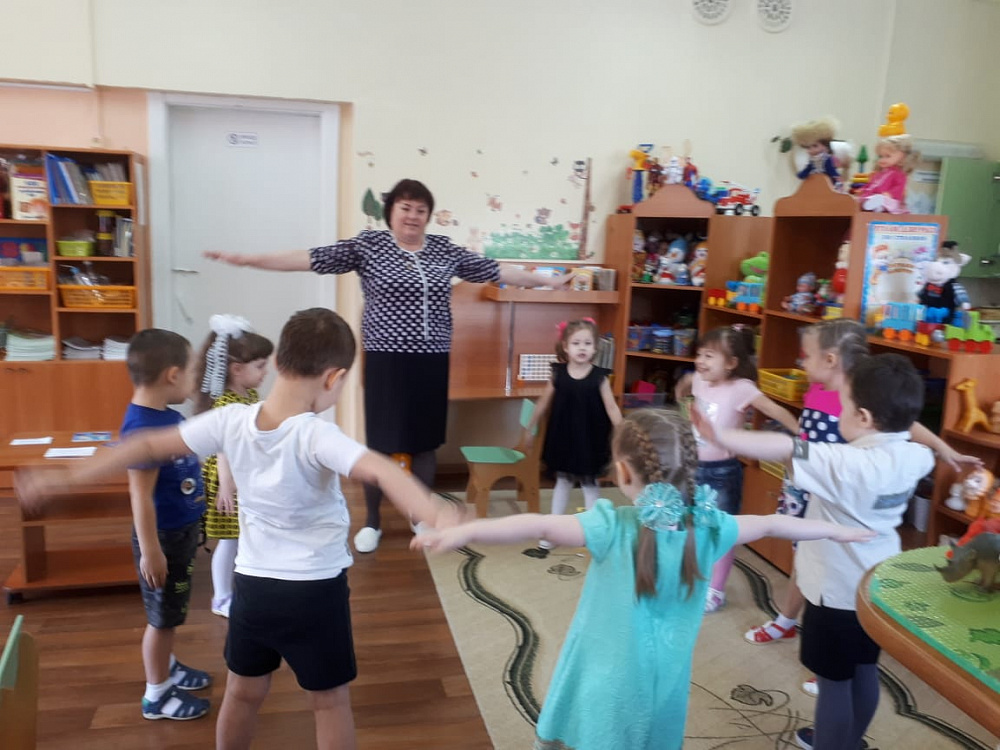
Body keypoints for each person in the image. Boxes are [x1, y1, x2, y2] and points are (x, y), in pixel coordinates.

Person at [18, 308, 459, 750]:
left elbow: (146, 445)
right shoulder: (316, 435)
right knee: (329, 703)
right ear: (334, 378)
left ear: (279, 363)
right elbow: (381, 469)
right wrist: (435, 515)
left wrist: (66, 478)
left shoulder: (230, 421)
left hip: (253, 588)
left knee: (243, 693)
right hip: (315, 591)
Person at [413, 408, 874, 750]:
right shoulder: (711, 526)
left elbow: (536, 524)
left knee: (598, 731)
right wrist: (838, 530)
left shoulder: (613, 525)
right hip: (664, 679)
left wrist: (468, 530)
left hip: (603, 673)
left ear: (622, 471)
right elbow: (773, 524)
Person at [205, 178, 572, 553]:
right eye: (405, 208)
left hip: (432, 360)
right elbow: (311, 259)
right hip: (387, 360)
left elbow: (494, 270)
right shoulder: (370, 246)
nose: (413, 216)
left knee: (425, 444)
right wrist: (250, 260)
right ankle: (373, 522)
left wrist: (547, 281)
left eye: (421, 210)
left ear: (428, 215)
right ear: (391, 212)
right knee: (381, 444)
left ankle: (422, 517)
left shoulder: (444, 250)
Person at [692, 353, 941, 750]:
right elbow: (912, 431)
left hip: (834, 591)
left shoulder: (844, 461)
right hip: (878, 586)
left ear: (863, 417)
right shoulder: (918, 456)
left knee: (833, 683)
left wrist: (723, 436)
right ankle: (851, 741)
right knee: (864, 670)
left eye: (843, 405)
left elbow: (784, 446)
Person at [742, 319, 978, 698]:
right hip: (807, 486)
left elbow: (907, 427)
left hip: (842, 497)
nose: (801, 363)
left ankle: (833, 663)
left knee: (833, 573)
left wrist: (944, 449)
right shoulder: (819, 389)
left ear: (831, 360)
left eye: (807, 355)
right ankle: (787, 620)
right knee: (807, 558)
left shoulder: (858, 397)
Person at [674, 325, 799, 613]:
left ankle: (715, 590)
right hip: (691, 466)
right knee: (691, 526)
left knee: (722, 531)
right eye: (699, 354)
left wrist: (800, 434)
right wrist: (682, 396)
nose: (700, 361)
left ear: (731, 363)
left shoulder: (742, 388)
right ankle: (692, 578)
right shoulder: (698, 379)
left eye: (709, 356)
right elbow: (685, 385)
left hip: (721, 472)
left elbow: (775, 410)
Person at [121, 328, 212, 720]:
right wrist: (151, 551)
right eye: (192, 372)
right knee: (161, 621)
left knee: (172, 613)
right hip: (162, 539)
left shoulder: (166, 416)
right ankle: (156, 694)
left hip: (179, 534)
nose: (195, 381)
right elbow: (140, 496)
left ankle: (167, 666)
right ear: (172, 375)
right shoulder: (142, 429)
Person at [194, 314, 274, 618]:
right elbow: (223, 447)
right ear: (237, 369)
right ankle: (221, 596)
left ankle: (241, 589)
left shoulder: (249, 395)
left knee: (244, 537)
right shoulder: (227, 403)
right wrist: (226, 485)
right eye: (260, 366)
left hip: (244, 476)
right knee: (229, 541)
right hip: (228, 480)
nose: (266, 372)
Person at [526, 318, 622, 548]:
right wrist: (530, 428)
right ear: (566, 347)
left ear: (595, 348)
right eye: (576, 343)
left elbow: (611, 408)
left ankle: (592, 531)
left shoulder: (600, 377)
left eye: (587, 343)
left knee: (590, 484)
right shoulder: (558, 374)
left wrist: (623, 434)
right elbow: (543, 402)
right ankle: (554, 531)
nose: (582, 348)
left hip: (590, 439)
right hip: (563, 437)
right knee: (563, 482)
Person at [859, 134, 916, 213]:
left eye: (887, 156)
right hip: (874, 196)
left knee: (885, 201)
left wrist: (890, 194)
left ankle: (878, 207)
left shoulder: (898, 174)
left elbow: (899, 186)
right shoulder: (879, 173)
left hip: (888, 199)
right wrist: (864, 189)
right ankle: (872, 205)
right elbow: (871, 183)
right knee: (866, 199)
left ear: (901, 157)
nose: (882, 159)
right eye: (880, 156)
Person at [792, 117, 842, 185]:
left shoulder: (826, 159)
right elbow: (808, 169)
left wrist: (836, 178)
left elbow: (831, 170)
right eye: (808, 147)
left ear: (824, 146)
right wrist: (802, 175)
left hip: (826, 183)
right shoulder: (812, 160)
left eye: (815, 146)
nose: (811, 150)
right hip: (815, 182)